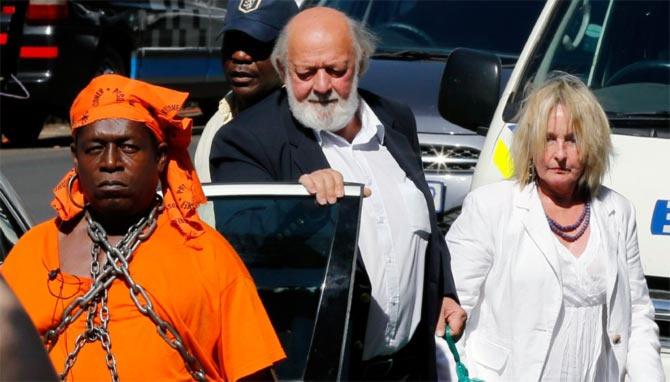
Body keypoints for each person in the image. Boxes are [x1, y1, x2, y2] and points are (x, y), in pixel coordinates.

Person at [210, 7, 466, 380]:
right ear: (282, 70)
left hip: (410, 368)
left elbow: (420, 218)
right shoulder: (247, 140)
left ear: (360, 65)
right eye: (306, 73)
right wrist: (299, 206)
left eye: (336, 70)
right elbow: (244, 246)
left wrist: (443, 291)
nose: (321, 86)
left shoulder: (394, 120)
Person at [0, 74, 285, 381]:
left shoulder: (206, 255)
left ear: (160, 157)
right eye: (95, 148)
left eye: (128, 147)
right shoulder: (33, 253)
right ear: (75, 157)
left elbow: (254, 373)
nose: (110, 162)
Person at [446, 73, 664, 381]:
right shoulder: (490, 207)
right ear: (530, 143)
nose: (559, 154)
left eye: (572, 140)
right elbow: (450, 311)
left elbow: (637, 315)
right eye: (549, 138)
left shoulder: (617, 211)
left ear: (592, 145)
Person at [194, 0, 298, 182]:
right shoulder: (219, 120)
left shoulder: (305, 127)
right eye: (232, 42)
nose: (240, 56)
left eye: (256, 43)